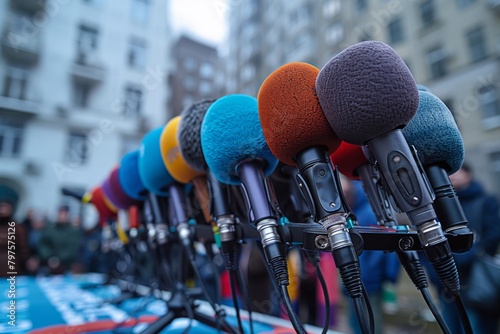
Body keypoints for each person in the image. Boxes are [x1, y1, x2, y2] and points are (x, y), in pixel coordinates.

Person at [433, 163, 500, 334]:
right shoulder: (436, 206)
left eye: (456, 172)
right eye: (448, 173)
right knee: (450, 326)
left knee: (475, 326)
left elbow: (492, 235)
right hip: (445, 282)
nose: (451, 176)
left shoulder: (486, 201)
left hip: (476, 280)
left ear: (468, 175)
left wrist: (468, 255)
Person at [341, 177, 400, 334]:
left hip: (367, 282)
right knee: (357, 322)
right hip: (355, 280)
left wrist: (368, 277)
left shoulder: (369, 213)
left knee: (369, 323)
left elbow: (381, 251)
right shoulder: (354, 212)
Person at [38, 206, 83, 275]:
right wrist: (50, 258)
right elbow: (44, 245)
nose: (62, 216)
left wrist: (59, 259)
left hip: (66, 266)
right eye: (60, 213)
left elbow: (72, 248)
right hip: (49, 265)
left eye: (64, 214)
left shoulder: (73, 232)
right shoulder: (50, 230)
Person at [0, 198, 31, 276]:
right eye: (2, 208)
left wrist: (25, 262)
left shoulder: (17, 228)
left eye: (6, 208)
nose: (3, 211)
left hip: (11, 263)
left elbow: (23, 247)